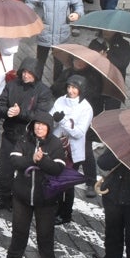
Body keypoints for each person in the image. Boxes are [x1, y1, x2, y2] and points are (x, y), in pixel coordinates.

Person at [4, 111, 68, 258]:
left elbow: (58, 168)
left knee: (45, 233)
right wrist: (32, 159)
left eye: (43, 125)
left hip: (46, 199)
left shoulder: (55, 145)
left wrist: (43, 161)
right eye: (36, 124)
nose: (39, 127)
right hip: (22, 196)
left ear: (49, 127)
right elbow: (14, 160)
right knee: (19, 230)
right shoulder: (24, 140)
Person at [0, 58, 53, 211]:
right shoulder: (12, 85)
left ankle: (20, 201)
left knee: (26, 173)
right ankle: (4, 199)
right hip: (10, 135)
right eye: (23, 72)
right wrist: (6, 111)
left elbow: (40, 115)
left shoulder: (43, 91)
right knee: (5, 171)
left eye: (29, 73)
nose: (25, 75)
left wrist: (20, 113)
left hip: (28, 140)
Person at [25, 0, 82, 82]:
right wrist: (31, 16)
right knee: (40, 63)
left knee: (59, 64)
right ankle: (36, 88)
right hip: (45, 33)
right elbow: (29, 3)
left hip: (62, 35)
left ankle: (56, 89)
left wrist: (77, 14)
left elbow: (78, 4)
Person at [51, 75, 93, 225]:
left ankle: (65, 213)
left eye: (74, 88)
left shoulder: (86, 108)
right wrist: (54, 120)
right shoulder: (60, 100)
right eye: (69, 87)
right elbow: (51, 119)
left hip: (72, 152)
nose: (71, 91)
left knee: (67, 184)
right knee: (54, 178)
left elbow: (79, 133)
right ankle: (55, 208)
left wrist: (62, 121)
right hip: (56, 147)